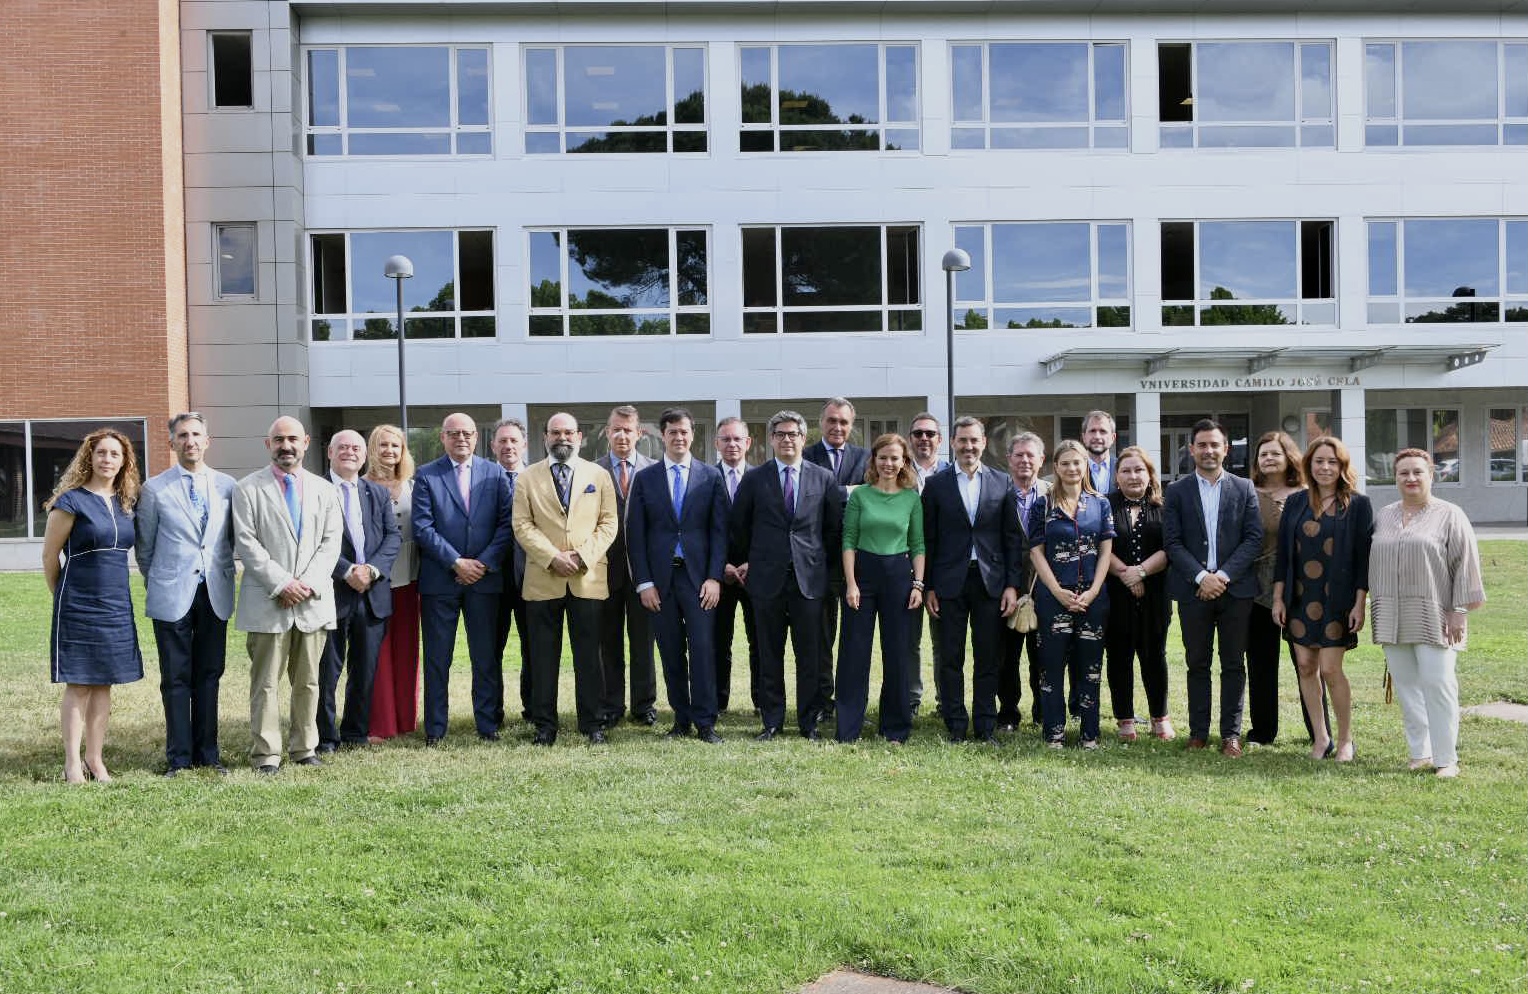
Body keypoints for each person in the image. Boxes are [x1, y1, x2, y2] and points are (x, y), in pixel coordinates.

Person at [233, 416, 343, 774]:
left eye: (293, 439)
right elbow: (246, 543)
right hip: (268, 600)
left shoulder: (325, 490)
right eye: (278, 439)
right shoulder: (247, 489)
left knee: (309, 681)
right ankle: (266, 753)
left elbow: (331, 544)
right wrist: (282, 584)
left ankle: (304, 747)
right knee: (265, 683)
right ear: (268, 445)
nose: (286, 445)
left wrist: (305, 584)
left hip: (312, 601)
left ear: (307, 442)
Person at [1367, 449, 1485, 779]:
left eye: (1418, 472)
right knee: (1406, 686)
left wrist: (1458, 610)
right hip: (1391, 612)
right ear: (1395, 477)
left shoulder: (1450, 514)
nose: (1411, 478)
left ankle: (1446, 759)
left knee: (1438, 683)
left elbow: (1465, 564)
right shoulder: (1385, 515)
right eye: (1403, 473)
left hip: (1436, 612)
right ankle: (1420, 752)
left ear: (1432, 475)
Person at [730, 410, 843, 740]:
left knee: (810, 656)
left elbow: (833, 529)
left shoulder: (822, 478)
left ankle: (808, 721)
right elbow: (740, 528)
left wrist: (827, 573)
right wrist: (753, 560)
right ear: (771, 439)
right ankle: (773, 721)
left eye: (793, 433)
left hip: (810, 582)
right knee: (769, 653)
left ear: (803, 437)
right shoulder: (755, 479)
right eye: (780, 434)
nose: (787, 439)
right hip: (767, 582)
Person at [135, 413, 236, 776]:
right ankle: (178, 757)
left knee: (209, 674)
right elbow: (144, 548)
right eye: (182, 435)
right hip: (171, 593)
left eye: (196, 434)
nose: (190, 440)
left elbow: (230, 541)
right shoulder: (154, 489)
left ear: (207, 441)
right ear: (171, 443)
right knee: (175, 677)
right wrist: (161, 579)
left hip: (215, 591)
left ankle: (208, 753)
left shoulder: (228, 486)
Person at [43, 428, 145, 783]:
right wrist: (63, 598)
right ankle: (72, 763)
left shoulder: (126, 502)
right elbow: (49, 556)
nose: (107, 459)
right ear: (90, 457)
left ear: (124, 461)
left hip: (116, 603)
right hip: (79, 602)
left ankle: (95, 759)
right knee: (80, 684)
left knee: (105, 683)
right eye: (101, 453)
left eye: (115, 454)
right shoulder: (70, 501)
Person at [513, 412, 620, 745]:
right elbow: (522, 525)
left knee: (589, 656)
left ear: (580, 436)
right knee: (543, 658)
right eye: (555, 432)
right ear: (545, 437)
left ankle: (593, 723)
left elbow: (609, 523)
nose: (563, 438)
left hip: (586, 577)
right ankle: (545, 726)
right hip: (543, 579)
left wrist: (581, 556)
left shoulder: (598, 475)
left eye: (569, 432)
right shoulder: (527, 478)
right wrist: (552, 557)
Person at [627, 408, 729, 743]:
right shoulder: (646, 479)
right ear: (663, 435)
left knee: (702, 650)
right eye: (672, 432)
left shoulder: (710, 477)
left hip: (699, 580)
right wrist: (644, 582)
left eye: (684, 431)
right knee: (670, 650)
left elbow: (719, 532)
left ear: (693, 434)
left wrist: (714, 577)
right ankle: (681, 720)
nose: (679, 437)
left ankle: (706, 721)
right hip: (660, 581)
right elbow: (636, 535)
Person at [413, 413, 515, 745]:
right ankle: (436, 728)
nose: (461, 438)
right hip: (440, 581)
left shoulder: (495, 472)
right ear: (442, 437)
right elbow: (423, 528)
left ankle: (487, 725)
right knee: (437, 657)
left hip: (485, 582)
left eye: (467, 433)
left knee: (485, 656)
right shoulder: (427, 475)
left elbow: (506, 524)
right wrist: (457, 562)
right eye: (454, 433)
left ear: (476, 437)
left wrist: (482, 564)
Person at [1164, 418, 1263, 757]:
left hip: (1235, 590)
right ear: (1191, 449)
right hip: (1193, 591)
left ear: (1226, 449)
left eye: (1214, 445)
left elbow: (1253, 539)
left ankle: (1230, 735)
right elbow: (1173, 543)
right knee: (1197, 663)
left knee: (1234, 663)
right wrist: (1200, 577)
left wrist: (1221, 577)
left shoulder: (1244, 488)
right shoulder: (1176, 491)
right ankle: (1198, 732)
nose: (1208, 450)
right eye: (1202, 445)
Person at [1272, 436, 1374, 762]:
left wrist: (1360, 602)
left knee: (1330, 669)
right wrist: (1278, 599)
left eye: (1332, 462)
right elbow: (1283, 558)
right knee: (1305, 666)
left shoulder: (1357, 504)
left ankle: (1346, 739)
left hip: (1337, 600)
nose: (1325, 467)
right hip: (1300, 597)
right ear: (1309, 465)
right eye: (1319, 461)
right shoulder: (1296, 502)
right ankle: (1321, 738)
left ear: (1342, 466)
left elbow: (1362, 559)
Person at [921, 417, 1023, 743]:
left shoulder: (1001, 482)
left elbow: (1012, 539)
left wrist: (1011, 585)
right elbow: (929, 539)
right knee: (950, 657)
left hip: (990, 582)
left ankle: (984, 726)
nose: (968, 447)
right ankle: (955, 724)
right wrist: (930, 586)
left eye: (974, 441)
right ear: (952, 443)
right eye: (962, 440)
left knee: (988, 658)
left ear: (983, 443)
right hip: (949, 582)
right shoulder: (936, 485)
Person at [317, 430, 400, 753]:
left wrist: (371, 570)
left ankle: (355, 731)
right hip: (333, 593)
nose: (349, 453)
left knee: (365, 669)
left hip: (373, 593)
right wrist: (347, 570)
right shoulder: (317, 490)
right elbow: (312, 541)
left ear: (365, 456)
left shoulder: (376, 494)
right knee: (327, 671)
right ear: (330, 453)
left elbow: (392, 538)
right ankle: (325, 736)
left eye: (356, 448)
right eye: (343, 448)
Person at [838, 433, 925, 743]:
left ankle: (895, 727)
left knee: (899, 653)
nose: (889, 463)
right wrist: (851, 583)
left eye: (895, 458)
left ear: (904, 462)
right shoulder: (860, 495)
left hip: (900, 577)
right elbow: (848, 540)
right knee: (854, 653)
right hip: (862, 577)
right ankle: (848, 727)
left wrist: (918, 583)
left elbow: (917, 544)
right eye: (883, 457)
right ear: (873, 460)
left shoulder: (911, 498)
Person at [1029, 439, 1115, 748]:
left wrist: (1092, 591)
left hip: (1093, 598)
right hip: (1054, 598)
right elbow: (1036, 552)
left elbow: (1106, 551)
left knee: (1090, 668)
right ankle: (1054, 733)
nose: (1071, 468)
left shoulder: (1100, 503)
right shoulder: (1044, 504)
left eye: (1076, 462)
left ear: (1085, 466)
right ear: (1056, 468)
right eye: (1064, 463)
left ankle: (1090, 734)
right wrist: (1056, 590)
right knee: (1051, 667)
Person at [1247, 430, 1329, 747]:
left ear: (1289, 457)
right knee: (1260, 663)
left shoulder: (1308, 494)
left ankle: (1318, 732)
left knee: (1308, 664)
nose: (1268, 459)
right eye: (1263, 454)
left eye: (1275, 453)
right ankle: (1263, 732)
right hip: (1257, 589)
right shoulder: (1247, 493)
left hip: (1301, 590)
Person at [804, 396, 870, 720]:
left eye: (843, 422)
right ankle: (821, 702)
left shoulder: (866, 457)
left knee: (856, 639)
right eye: (831, 420)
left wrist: (841, 491)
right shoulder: (806, 457)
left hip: (860, 562)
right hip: (819, 562)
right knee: (822, 638)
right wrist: (849, 491)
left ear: (851, 425)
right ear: (821, 423)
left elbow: (873, 494)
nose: (837, 427)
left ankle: (851, 703)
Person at [595, 405, 658, 726]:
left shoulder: (654, 470)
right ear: (607, 432)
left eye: (628, 429)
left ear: (639, 434)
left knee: (643, 641)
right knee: (608, 642)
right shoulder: (591, 471)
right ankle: (610, 705)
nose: (622, 435)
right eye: (616, 429)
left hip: (643, 573)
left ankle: (644, 704)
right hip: (603, 571)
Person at [1104, 447, 1172, 742]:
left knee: (1154, 655)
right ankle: (1125, 720)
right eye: (1126, 471)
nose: (1133, 476)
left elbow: (1173, 547)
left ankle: (1160, 717)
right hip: (1115, 593)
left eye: (1139, 470)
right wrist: (1127, 575)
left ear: (1149, 475)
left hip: (1156, 593)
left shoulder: (1165, 507)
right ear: (1117, 477)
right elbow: (1097, 546)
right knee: (1119, 656)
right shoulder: (1103, 505)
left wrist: (1141, 572)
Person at [364, 424, 420, 742]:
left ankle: (405, 719)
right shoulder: (361, 485)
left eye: (395, 446)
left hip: (410, 576)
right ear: (373, 448)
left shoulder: (412, 485)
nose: (389, 451)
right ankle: (381, 723)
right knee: (378, 650)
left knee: (406, 648)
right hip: (375, 578)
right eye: (383, 445)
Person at [999, 432, 1049, 730]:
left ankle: (1044, 712)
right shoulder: (997, 493)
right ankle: (1008, 714)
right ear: (1009, 459)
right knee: (1006, 657)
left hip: (1045, 587)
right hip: (1007, 587)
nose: (1025, 460)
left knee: (1043, 655)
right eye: (1019, 455)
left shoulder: (1054, 493)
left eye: (1031, 455)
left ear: (1041, 460)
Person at [713, 416, 758, 713]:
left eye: (737, 439)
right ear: (717, 444)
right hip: (717, 575)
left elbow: (769, 526)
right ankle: (717, 701)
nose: (732, 444)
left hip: (755, 573)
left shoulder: (762, 478)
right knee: (717, 641)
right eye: (726, 439)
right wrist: (721, 567)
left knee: (761, 641)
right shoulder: (704, 477)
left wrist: (751, 562)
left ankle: (762, 701)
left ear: (748, 443)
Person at [906, 411, 948, 716]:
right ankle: (910, 700)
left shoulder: (951, 474)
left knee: (943, 641)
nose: (924, 439)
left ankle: (945, 702)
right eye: (918, 433)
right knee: (908, 641)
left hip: (943, 570)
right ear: (910, 439)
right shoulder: (897, 473)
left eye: (930, 433)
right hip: (903, 568)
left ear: (940, 439)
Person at [490, 417, 531, 722]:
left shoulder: (538, 479)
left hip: (532, 577)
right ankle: (492, 711)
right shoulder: (481, 479)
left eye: (513, 440)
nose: (508, 446)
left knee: (534, 649)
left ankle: (534, 708)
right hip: (491, 578)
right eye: (502, 441)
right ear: (493, 446)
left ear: (524, 445)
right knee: (491, 650)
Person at [1082, 411, 1119, 496]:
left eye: (1103, 431)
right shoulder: (1074, 470)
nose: (1097, 436)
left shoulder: (1122, 468)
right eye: (1092, 431)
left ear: (1113, 437)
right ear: (1084, 437)